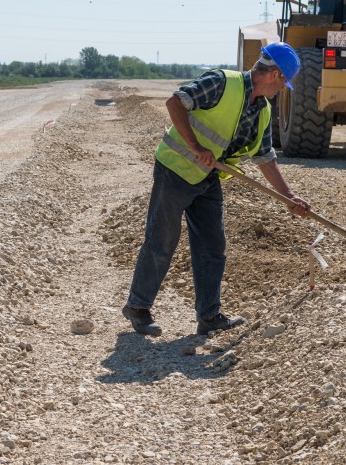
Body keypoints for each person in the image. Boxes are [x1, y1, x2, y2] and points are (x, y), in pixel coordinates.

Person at [122, 42, 311, 337]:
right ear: (274, 74)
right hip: (175, 169)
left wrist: (288, 197)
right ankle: (138, 307)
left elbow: (265, 158)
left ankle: (209, 316)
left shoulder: (263, 111)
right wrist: (196, 146)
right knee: (162, 240)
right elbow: (175, 103)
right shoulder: (223, 83)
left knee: (212, 245)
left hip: (208, 177)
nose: (282, 89)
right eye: (284, 82)